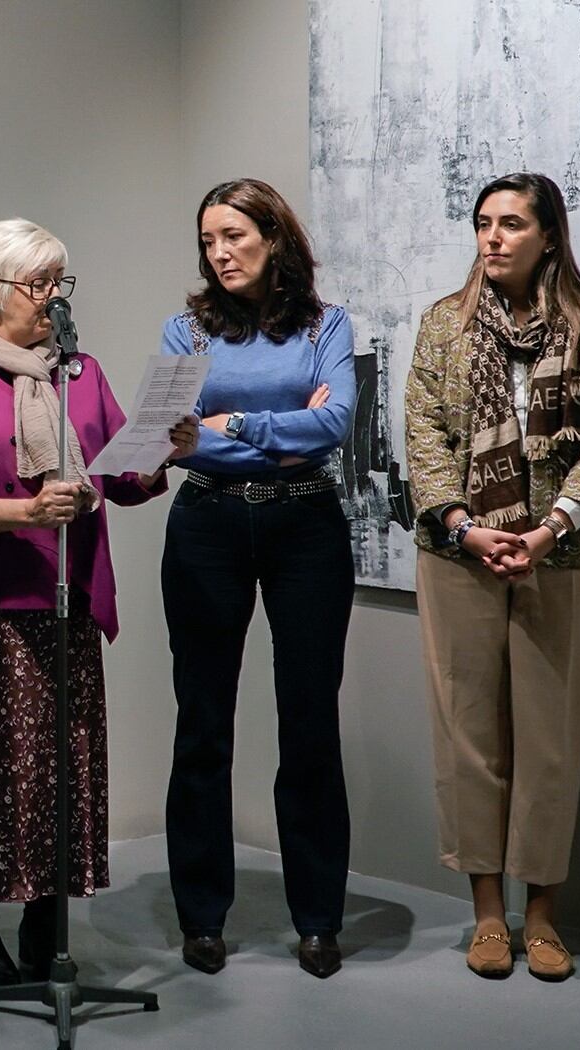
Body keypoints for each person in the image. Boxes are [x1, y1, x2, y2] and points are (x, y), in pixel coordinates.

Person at [0, 218, 197, 983]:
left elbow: (119, 478)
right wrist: (26, 513)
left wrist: (165, 449)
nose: (51, 299)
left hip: (65, 602)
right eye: (37, 284)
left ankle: (46, 926)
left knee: (58, 770)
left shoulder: (82, 375)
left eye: (58, 283)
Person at [405, 172, 580, 981]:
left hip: (563, 557)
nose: (492, 237)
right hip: (458, 555)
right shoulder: (444, 324)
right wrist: (465, 528)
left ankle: (542, 913)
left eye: (510, 223)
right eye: (482, 223)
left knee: (551, 741)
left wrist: (550, 528)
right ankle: (486, 913)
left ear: (547, 235)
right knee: (468, 733)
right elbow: (424, 434)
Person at [161, 178, 357, 980]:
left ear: (273, 238)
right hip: (206, 524)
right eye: (209, 240)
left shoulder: (325, 324)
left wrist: (231, 424)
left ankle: (317, 921)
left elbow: (336, 423)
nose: (220, 252)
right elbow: (166, 440)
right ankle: (202, 916)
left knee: (308, 725)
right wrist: (281, 432)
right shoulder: (185, 330)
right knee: (203, 723)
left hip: (306, 526)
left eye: (235, 236)